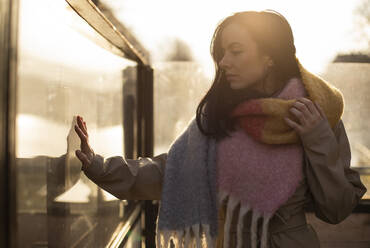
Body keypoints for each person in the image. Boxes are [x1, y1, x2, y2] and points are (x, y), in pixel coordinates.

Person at [74, 10, 367, 248]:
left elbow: (336, 209)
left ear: (270, 57)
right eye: (222, 53)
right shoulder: (220, 115)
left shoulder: (315, 115)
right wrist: (99, 166)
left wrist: (318, 140)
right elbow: (170, 172)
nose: (223, 62)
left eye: (235, 51)